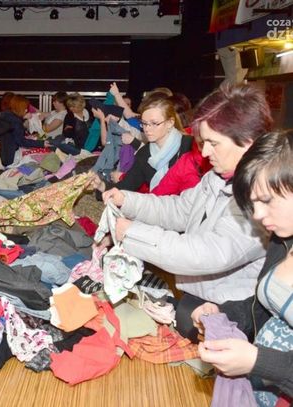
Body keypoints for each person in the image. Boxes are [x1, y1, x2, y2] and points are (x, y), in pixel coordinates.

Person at [98, 83, 273, 342]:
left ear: (246, 142)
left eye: (213, 143)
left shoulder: (261, 194)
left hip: (233, 309)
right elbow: (180, 209)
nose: (205, 152)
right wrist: (128, 200)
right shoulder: (219, 176)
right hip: (203, 291)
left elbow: (207, 252)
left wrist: (133, 233)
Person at [192, 130, 293, 403]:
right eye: (253, 203)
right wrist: (224, 313)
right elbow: (265, 307)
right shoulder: (282, 240)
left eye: (266, 200)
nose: (258, 215)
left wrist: (257, 361)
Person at [95, 95, 192, 194]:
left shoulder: (190, 145)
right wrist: (100, 186)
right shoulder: (144, 153)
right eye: (144, 123)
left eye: (154, 123)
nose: (147, 129)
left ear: (170, 123)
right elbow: (126, 186)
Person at [0, 94, 46, 166]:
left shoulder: (4, 115)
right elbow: (22, 141)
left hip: (0, 152)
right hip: (9, 155)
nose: (26, 110)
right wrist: (42, 143)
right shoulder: (16, 121)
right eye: (25, 108)